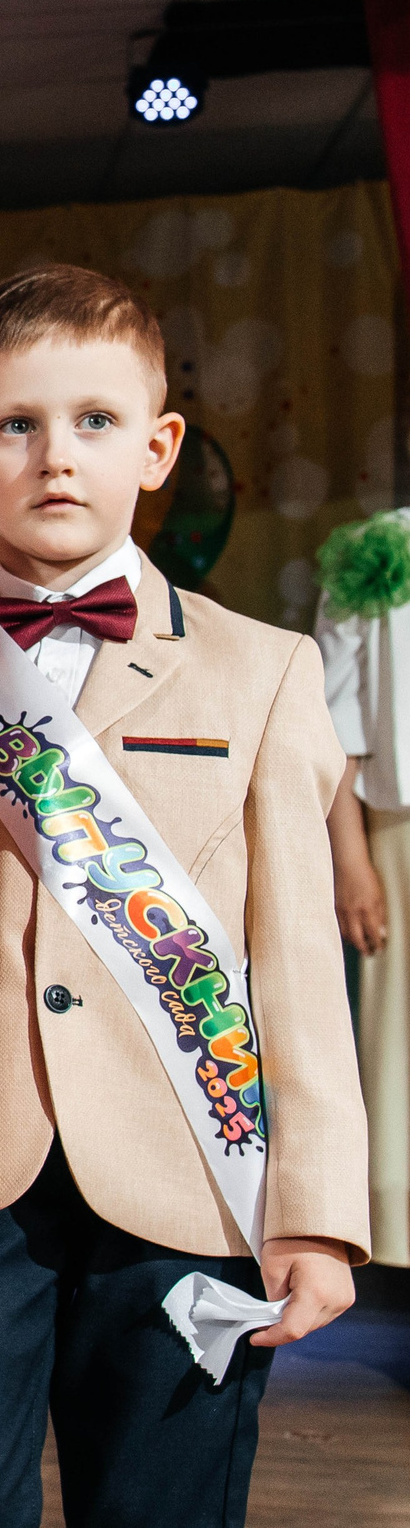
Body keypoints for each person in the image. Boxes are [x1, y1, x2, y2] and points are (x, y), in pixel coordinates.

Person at [0, 264, 369, 1528]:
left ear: (159, 446)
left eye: (96, 422)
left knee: (162, 1504)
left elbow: (295, 963)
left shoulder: (264, 671)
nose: (56, 456)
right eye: (17, 425)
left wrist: (320, 1210)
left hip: (189, 1170)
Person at [315, 510, 410, 1271]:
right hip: (400, 828)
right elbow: (334, 718)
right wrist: (350, 856)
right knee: (400, 1048)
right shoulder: (382, 546)